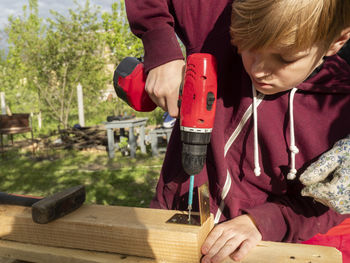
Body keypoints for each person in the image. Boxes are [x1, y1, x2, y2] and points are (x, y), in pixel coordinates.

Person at [125, 0, 350, 262]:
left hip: (258, 248)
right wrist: (160, 47)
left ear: (337, 40)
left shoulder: (339, 109)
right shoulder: (216, 26)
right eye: (248, 46)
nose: (259, 69)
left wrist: (264, 221)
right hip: (171, 221)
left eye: (285, 58)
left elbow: (328, 203)